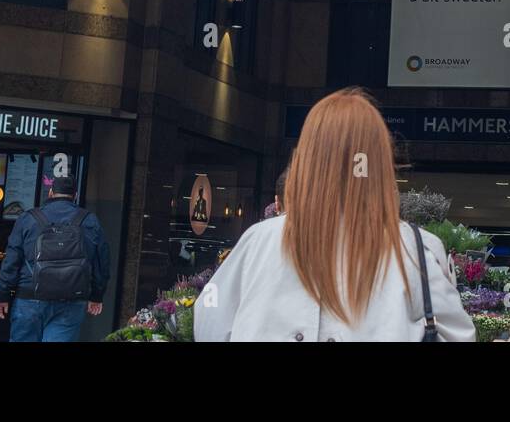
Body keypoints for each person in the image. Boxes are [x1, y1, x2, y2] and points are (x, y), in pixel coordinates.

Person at [195, 87, 474, 342]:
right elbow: (456, 336)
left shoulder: (258, 242)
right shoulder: (415, 249)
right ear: (379, 162)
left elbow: (209, 325)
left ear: (307, 157)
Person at [0, 176, 110, 342]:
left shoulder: (28, 218)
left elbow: (12, 260)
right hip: (72, 299)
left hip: (29, 298)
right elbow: (102, 262)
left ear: (50, 192)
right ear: (75, 195)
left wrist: (2, 294)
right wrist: (96, 295)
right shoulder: (89, 220)